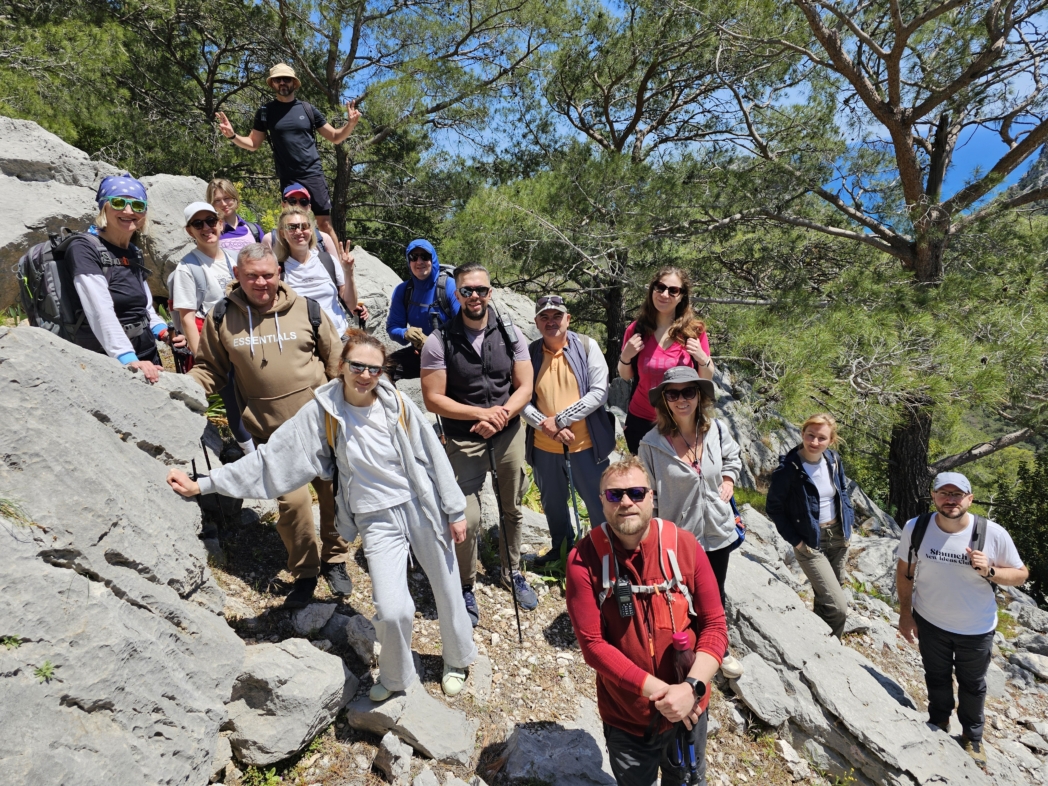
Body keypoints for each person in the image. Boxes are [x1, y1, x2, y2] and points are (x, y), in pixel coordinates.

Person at [167, 330, 478, 698]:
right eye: (357, 366)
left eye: (374, 369)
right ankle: (396, 677)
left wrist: (454, 510)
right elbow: (272, 459)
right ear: (341, 367)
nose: (365, 375)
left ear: (383, 372)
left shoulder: (397, 404)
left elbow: (433, 457)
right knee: (392, 609)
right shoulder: (322, 411)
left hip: (421, 506)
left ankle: (458, 657)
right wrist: (204, 484)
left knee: (446, 586)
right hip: (374, 518)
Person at [186, 243, 351, 608]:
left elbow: (337, 361)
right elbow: (209, 369)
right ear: (237, 277)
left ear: (279, 273)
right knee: (293, 505)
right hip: (271, 433)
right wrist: (182, 390)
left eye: (267, 274)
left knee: (333, 498)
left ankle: (335, 559)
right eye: (252, 276)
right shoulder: (222, 317)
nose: (261, 283)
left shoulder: (308, 309)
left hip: (321, 428)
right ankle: (306, 573)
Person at [565, 457, 727, 786]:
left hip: (689, 710)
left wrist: (691, 688)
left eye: (636, 493)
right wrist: (666, 693)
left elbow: (715, 627)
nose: (626, 502)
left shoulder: (685, 547)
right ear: (601, 502)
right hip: (627, 717)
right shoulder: (584, 559)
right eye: (614, 495)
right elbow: (593, 647)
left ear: (652, 497)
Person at [420, 263, 537, 625]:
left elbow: (525, 386)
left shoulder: (510, 333)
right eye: (467, 290)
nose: (475, 296)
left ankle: (511, 570)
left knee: (511, 508)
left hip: (508, 434)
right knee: (466, 519)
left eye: (481, 290)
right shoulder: (440, 339)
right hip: (462, 438)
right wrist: (478, 415)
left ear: (491, 292)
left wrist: (499, 415)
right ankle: (465, 585)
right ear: (457, 294)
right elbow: (432, 398)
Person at [896, 472, 1028, 766]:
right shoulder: (916, 527)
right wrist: (906, 614)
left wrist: (990, 571)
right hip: (930, 621)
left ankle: (972, 738)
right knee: (936, 676)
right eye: (944, 493)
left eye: (958, 494)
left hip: (976, 628)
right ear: (933, 497)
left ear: (969, 499)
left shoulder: (992, 533)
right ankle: (939, 721)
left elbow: (1020, 575)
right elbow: (905, 571)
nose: (950, 500)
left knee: (973, 685)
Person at [637, 366, 745, 680]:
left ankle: (718, 650)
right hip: (679, 537)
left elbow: (732, 457)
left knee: (715, 592)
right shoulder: (651, 445)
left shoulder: (717, 430)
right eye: (673, 393)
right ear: (665, 401)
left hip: (717, 529)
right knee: (682, 594)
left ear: (699, 396)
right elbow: (647, 495)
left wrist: (728, 478)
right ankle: (684, 649)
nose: (681, 399)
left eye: (689, 392)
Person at [215, 63, 361, 241]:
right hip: (288, 178)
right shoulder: (265, 112)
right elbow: (253, 143)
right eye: (278, 80)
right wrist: (232, 135)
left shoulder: (308, 109)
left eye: (286, 79)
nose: (282, 82)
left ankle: (340, 266)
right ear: (272, 84)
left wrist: (350, 125)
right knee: (291, 224)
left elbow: (335, 136)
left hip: (312, 174)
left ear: (294, 83)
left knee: (324, 224)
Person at [521, 294, 614, 565]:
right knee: (553, 505)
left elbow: (599, 392)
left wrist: (559, 419)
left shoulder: (587, 346)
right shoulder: (529, 354)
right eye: (545, 317)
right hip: (544, 446)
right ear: (537, 322)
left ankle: (605, 557)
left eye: (557, 316)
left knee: (599, 504)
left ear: (568, 318)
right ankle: (561, 552)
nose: (551, 322)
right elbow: (521, 398)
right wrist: (547, 426)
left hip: (586, 445)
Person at [66, 174, 171, 384]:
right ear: (104, 207)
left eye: (138, 205)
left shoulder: (133, 250)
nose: (129, 211)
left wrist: (163, 332)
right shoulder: (83, 248)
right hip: (109, 357)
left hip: (146, 349)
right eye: (119, 202)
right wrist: (128, 359)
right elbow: (99, 310)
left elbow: (145, 306)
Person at [169, 201, 255, 454]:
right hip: (216, 346)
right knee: (234, 403)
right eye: (198, 224)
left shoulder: (232, 258)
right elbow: (186, 317)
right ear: (190, 231)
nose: (206, 228)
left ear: (220, 223)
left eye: (210, 221)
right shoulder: (187, 267)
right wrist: (204, 360)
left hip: (242, 339)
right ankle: (253, 458)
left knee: (250, 397)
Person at [765, 414, 855, 639]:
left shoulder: (832, 460)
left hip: (838, 538)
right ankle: (832, 645)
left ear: (831, 440)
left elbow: (842, 491)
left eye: (821, 438)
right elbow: (774, 508)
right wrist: (797, 541)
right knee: (838, 606)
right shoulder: (789, 468)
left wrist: (848, 522)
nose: (815, 442)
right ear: (802, 434)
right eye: (810, 435)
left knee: (826, 597)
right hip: (810, 543)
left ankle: (819, 642)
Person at [617, 267, 715, 454]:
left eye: (673, 290)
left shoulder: (694, 331)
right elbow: (625, 375)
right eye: (659, 287)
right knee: (644, 479)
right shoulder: (636, 330)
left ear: (681, 296)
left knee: (680, 477)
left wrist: (702, 358)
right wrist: (626, 356)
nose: (664, 294)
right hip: (642, 419)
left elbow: (707, 376)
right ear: (652, 289)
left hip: (681, 419)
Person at [272, 205, 359, 338]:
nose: (299, 231)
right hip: (302, 343)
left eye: (304, 226)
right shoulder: (277, 269)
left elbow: (351, 304)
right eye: (292, 227)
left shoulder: (327, 260)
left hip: (338, 336)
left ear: (311, 230)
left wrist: (349, 272)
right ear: (283, 233)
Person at [385, 239, 460, 383]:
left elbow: (464, 328)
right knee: (383, 369)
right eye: (414, 257)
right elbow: (393, 327)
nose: (419, 261)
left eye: (424, 257)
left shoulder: (450, 287)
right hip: (420, 353)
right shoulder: (403, 291)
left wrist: (433, 342)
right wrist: (405, 333)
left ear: (433, 259)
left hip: (452, 355)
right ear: (409, 261)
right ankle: (393, 405)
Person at [206, 178, 264, 257]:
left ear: (235, 198)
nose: (223, 204)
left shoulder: (254, 230)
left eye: (226, 198)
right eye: (217, 200)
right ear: (211, 204)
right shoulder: (210, 232)